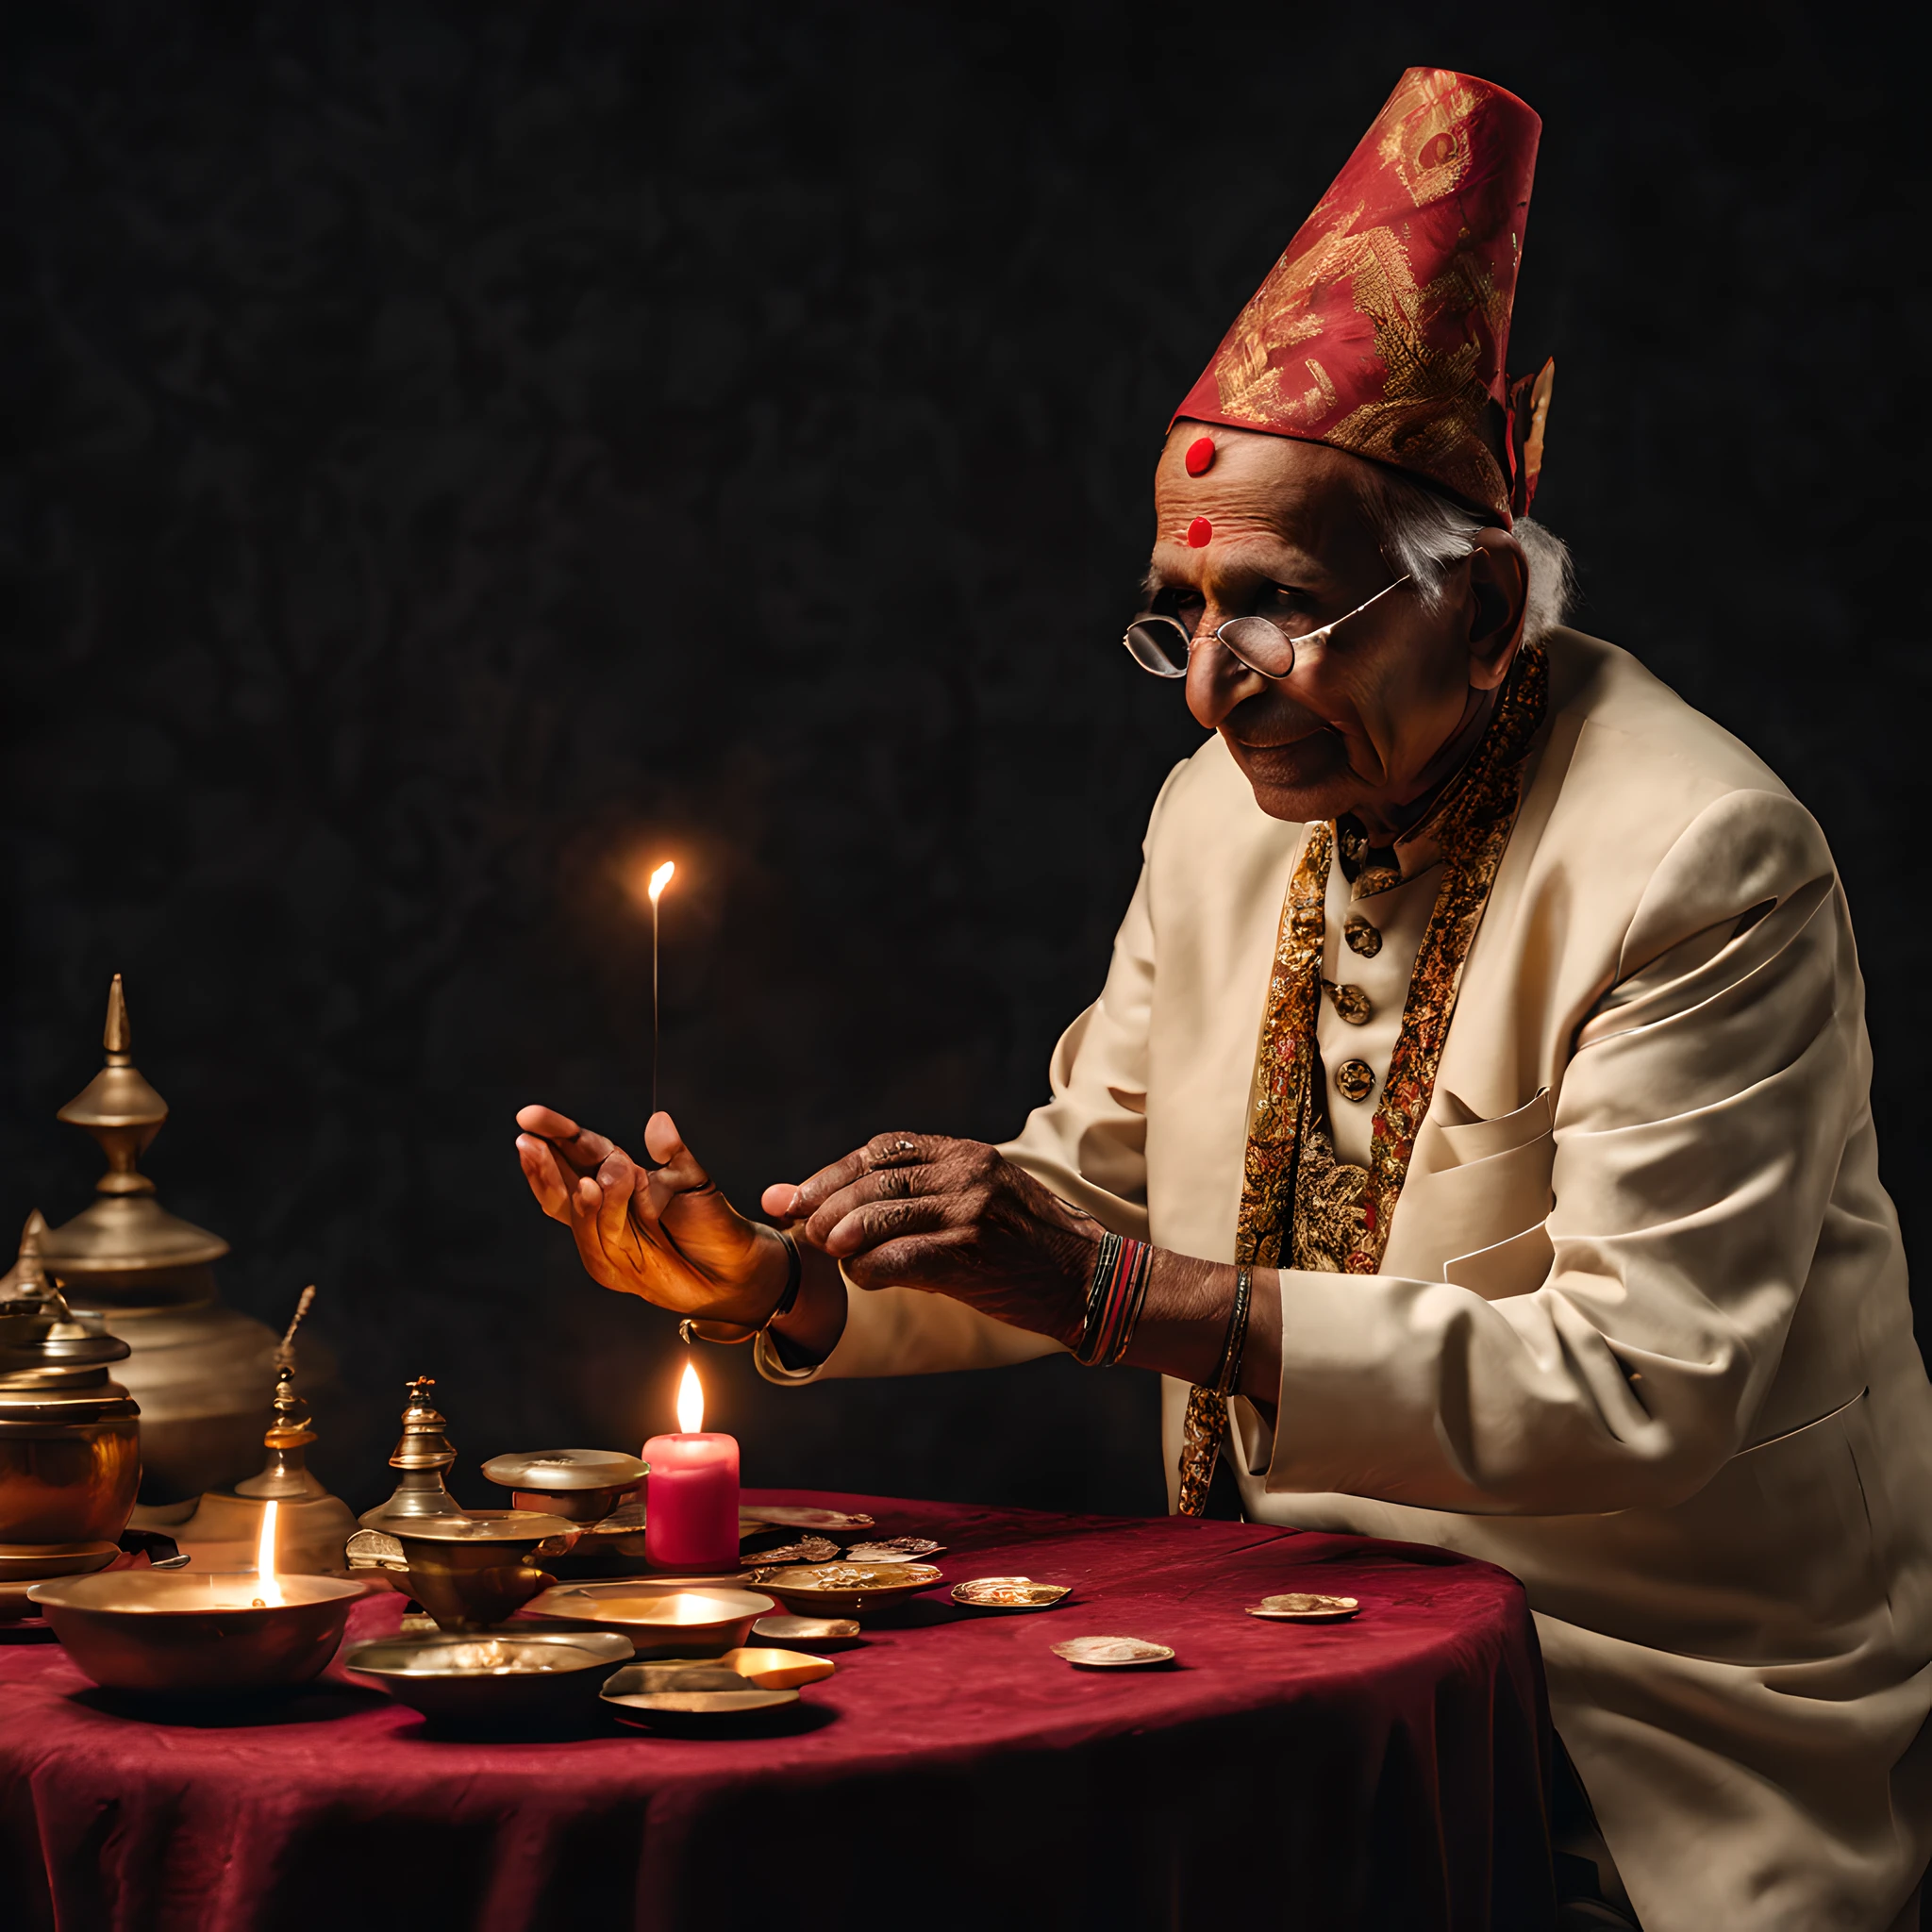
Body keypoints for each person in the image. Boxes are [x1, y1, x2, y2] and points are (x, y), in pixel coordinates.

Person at [517, 68, 1932, 1932]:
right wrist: (787, 1283)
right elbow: (1095, 1191)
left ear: (1484, 606)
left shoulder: (1698, 856)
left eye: (1273, 608)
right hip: (1290, 1655)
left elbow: (1644, 1390)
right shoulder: (1218, 813)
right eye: (1177, 612)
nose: (1204, 687)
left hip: (1631, 1709)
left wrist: (1121, 1297)